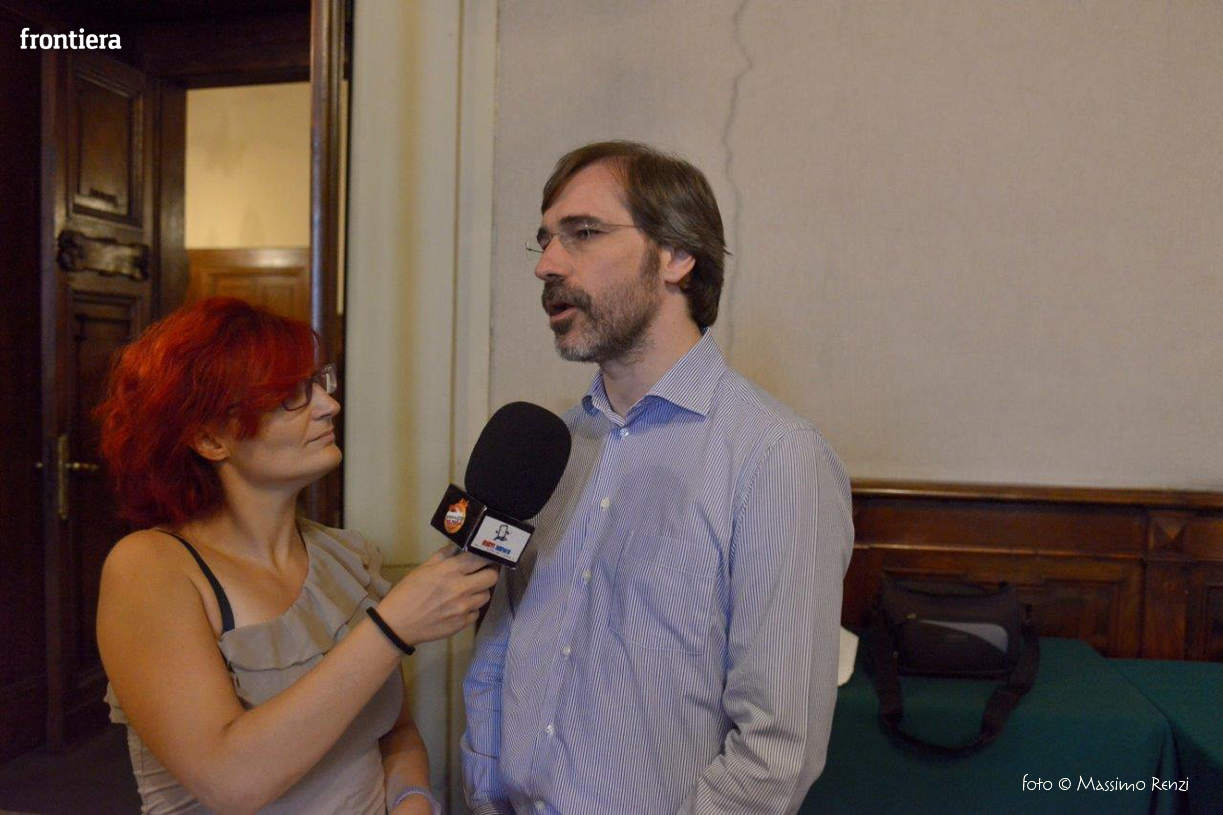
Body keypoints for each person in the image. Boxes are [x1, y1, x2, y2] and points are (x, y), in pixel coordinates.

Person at [461, 141, 855, 813]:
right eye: (545, 240)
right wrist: (484, 795)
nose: (547, 264)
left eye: (583, 233)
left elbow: (775, 752)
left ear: (676, 255)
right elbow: (499, 647)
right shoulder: (552, 447)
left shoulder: (776, 457)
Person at [95, 297, 499, 814]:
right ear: (209, 438)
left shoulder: (345, 557)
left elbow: (394, 733)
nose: (329, 405)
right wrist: (391, 629)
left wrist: (413, 801)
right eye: (289, 395)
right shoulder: (150, 569)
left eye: (317, 382)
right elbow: (229, 781)